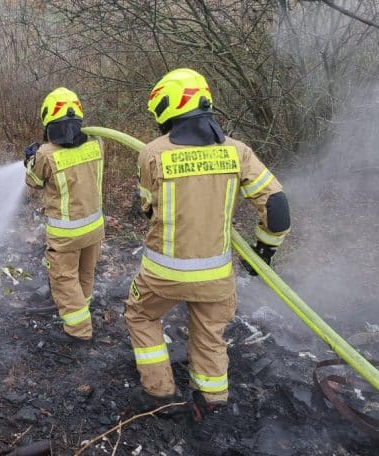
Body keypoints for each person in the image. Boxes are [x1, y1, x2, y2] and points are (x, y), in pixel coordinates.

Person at [125, 68, 291, 421]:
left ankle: (160, 392)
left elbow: (147, 209)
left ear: (168, 108)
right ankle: (211, 401)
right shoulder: (238, 152)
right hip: (216, 276)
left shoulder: (151, 153)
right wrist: (263, 252)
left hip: (162, 275)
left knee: (140, 315)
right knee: (210, 334)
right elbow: (277, 208)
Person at [24, 87, 105, 342]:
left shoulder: (45, 155)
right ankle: (83, 310)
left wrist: (30, 159)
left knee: (64, 277)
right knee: (85, 273)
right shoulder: (96, 144)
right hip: (94, 228)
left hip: (66, 233)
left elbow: (34, 182)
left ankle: (79, 331)